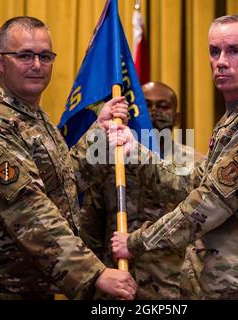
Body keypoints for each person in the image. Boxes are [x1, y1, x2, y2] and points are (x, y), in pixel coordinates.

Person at [0, 16, 137, 300]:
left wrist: (100, 131)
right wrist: (94, 273)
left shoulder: (33, 119)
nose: (36, 65)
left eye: (45, 56)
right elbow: (29, 211)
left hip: (32, 287)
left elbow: (65, 181)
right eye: (24, 56)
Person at [110, 15, 238, 300]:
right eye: (214, 51)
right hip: (216, 282)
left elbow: (210, 201)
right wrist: (136, 152)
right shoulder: (234, 119)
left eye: (234, 50)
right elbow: (194, 183)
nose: (221, 61)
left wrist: (136, 242)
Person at [78, 82, 205, 299]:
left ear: (177, 118)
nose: (154, 112)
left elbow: (201, 224)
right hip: (116, 286)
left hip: (173, 289)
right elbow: (90, 229)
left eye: (163, 106)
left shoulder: (195, 163)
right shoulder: (113, 161)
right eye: (147, 106)